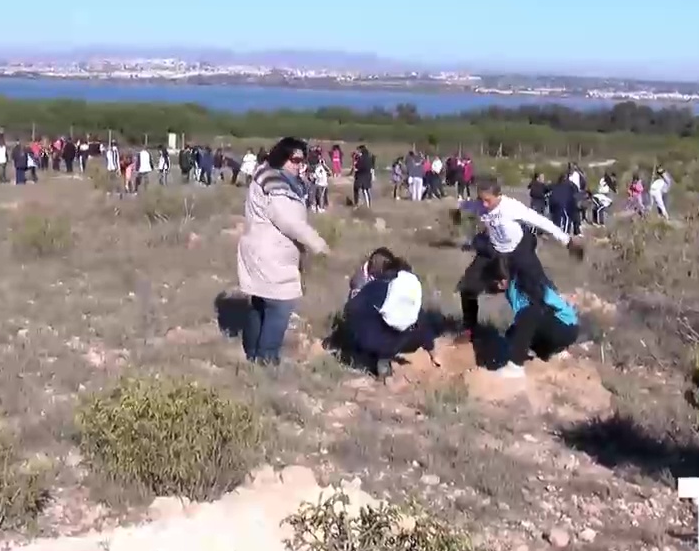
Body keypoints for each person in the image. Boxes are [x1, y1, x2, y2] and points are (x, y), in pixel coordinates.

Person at [237, 137, 330, 365]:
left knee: (261, 304)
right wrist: (319, 245)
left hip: (262, 250)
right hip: (271, 254)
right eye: (295, 159)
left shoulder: (267, 175)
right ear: (281, 157)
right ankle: (267, 360)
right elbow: (290, 222)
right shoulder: (276, 183)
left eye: (302, 159)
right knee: (281, 305)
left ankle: (252, 354)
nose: (299, 164)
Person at [457, 177, 584, 338]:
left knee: (537, 289)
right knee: (468, 286)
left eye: (488, 201)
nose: (484, 205)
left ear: (498, 195)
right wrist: (456, 209)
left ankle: (559, 324)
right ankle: (469, 329)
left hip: (519, 251)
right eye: (481, 200)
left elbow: (541, 222)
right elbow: (465, 205)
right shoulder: (479, 205)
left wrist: (567, 240)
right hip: (495, 251)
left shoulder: (511, 207)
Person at [341, 250, 436, 380]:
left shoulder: (375, 286)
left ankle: (371, 358)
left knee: (371, 328)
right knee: (411, 325)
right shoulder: (410, 291)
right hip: (402, 341)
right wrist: (433, 353)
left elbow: (351, 309)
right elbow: (422, 321)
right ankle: (382, 359)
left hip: (372, 339)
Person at [491, 248, 580, 378]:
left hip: (565, 326)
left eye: (499, 280)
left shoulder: (524, 281)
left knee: (529, 315)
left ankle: (516, 366)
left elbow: (540, 307)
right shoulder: (510, 290)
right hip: (551, 326)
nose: (498, 285)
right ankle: (552, 352)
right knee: (513, 333)